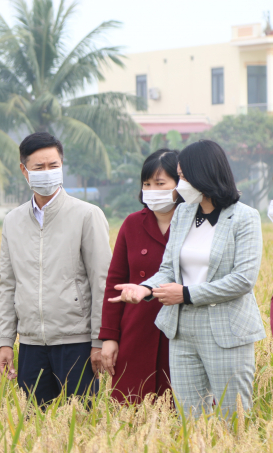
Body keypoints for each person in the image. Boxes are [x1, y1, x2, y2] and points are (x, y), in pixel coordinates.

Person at [111, 140, 265, 418]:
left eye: (182, 177)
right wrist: (145, 288)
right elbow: (169, 269)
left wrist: (187, 294)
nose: (180, 185)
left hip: (226, 330)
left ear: (203, 175)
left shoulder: (244, 218)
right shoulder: (183, 213)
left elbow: (243, 280)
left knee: (234, 418)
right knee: (191, 420)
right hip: (182, 330)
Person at [0, 132, 112, 406]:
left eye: (53, 166)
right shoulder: (12, 221)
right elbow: (8, 285)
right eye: (39, 168)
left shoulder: (86, 215)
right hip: (32, 343)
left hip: (77, 340)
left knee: (81, 422)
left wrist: (99, 340)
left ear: (62, 166)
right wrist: (5, 341)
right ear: (24, 171)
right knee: (33, 422)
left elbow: (101, 282)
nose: (47, 173)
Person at [99, 149, 182, 404]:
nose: (152, 190)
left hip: (180, 332)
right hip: (136, 329)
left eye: (160, 183)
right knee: (131, 408)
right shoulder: (132, 224)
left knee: (178, 415)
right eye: (147, 184)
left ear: (180, 186)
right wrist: (110, 337)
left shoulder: (193, 223)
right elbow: (114, 282)